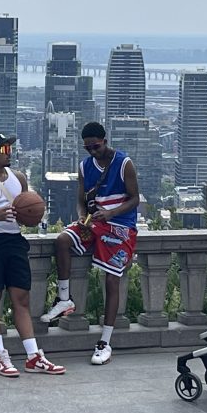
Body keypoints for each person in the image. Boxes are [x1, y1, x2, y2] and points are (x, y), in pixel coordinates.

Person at [0, 132, 65, 378]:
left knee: (22, 299)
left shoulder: (19, 178)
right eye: (5, 149)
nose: (11, 152)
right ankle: (0, 354)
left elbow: (26, 215)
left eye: (10, 148)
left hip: (14, 242)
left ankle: (33, 356)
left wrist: (33, 214)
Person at [43, 122, 139, 366]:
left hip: (120, 226)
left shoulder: (124, 163)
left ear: (104, 141)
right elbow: (80, 200)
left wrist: (111, 213)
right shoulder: (85, 167)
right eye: (87, 148)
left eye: (95, 146)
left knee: (111, 279)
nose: (92, 151)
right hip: (93, 222)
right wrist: (81, 217)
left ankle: (105, 341)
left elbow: (135, 198)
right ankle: (64, 298)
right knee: (62, 240)